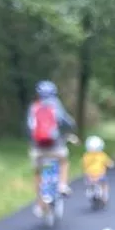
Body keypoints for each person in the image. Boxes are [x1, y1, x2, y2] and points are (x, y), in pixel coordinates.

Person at [26, 80, 77, 215]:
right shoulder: (56, 104)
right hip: (55, 146)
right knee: (63, 161)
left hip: (38, 148)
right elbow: (66, 121)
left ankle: (39, 203)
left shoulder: (34, 107)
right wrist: (71, 128)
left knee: (38, 172)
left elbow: (29, 127)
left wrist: (31, 142)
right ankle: (62, 185)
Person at [82, 135, 115, 203]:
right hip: (100, 175)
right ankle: (105, 196)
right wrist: (111, 165)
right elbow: (108, 163)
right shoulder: (102, 155)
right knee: (104, 184)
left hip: (89, 176)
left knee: (88, 182)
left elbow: (84, 164)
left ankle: (90, 191)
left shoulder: (86, 155)